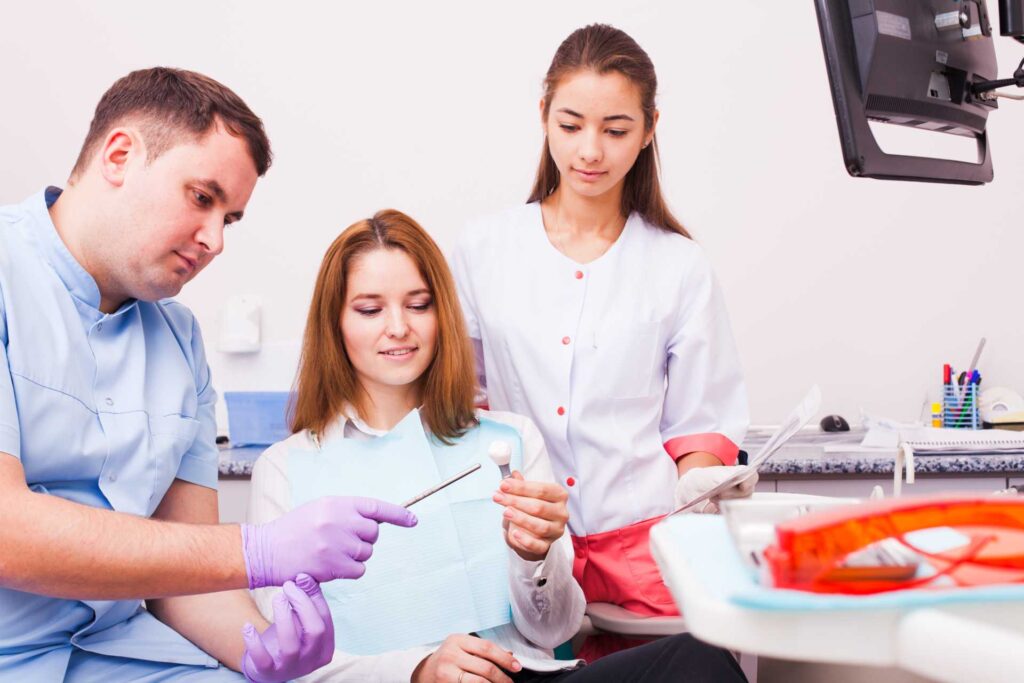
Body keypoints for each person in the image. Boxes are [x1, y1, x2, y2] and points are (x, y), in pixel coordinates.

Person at [0, 67, 416, 682]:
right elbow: (8, 534)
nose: (216, 240)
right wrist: (256, 551)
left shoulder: (178, 340)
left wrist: (261, 647)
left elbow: (185, 578)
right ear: (120, 156)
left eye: (232, 218)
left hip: (123, 656)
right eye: (202, 198)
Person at [247, 209, 747, 682]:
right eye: (370, 309)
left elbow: (554, 631)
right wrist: (417, 670)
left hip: (521, 675)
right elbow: (292, 665)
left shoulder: (509, 440)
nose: (398, 327)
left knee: (700, 657)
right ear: (335, 323)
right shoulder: (287, 469)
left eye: (418, 305)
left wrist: (535, 557)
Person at [450, 24, 754, 660]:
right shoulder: (483, 250)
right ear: (543, 116)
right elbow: (459, 404)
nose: (591, 150)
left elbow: (700, 422)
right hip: (520, 542)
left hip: (644, 548)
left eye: (616, 130)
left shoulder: (679, 265)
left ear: (649, 130)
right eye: (571, 125)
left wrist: (704, 486)